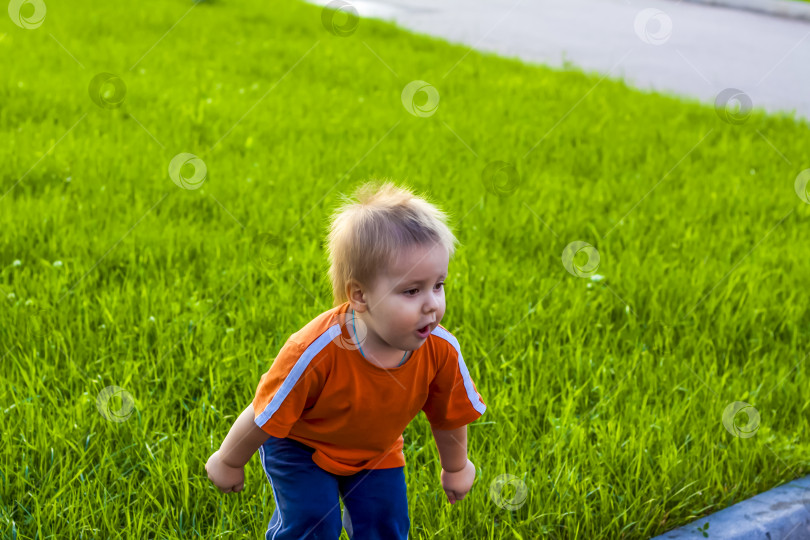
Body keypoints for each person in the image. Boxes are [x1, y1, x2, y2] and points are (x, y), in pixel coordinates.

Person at [205, 179, 487, 540]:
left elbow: (449, 415)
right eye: (412, 290)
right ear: (360, 295)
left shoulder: (440, 350)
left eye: (439, 285)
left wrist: (456, 467)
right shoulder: (316, 351)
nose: (432, 303)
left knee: (385, 524)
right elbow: (265, 411)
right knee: (314, 522)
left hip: (376, 452)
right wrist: (228, 460)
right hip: (302, 447)